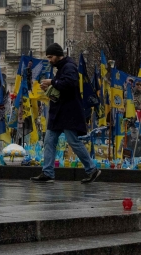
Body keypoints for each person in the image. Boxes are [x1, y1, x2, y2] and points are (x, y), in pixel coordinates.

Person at [31, 43, 100, 184]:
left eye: (51, 57)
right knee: (49, 141)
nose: (49, 60)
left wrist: (52, 82)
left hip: (68, 112)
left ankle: (92, 169)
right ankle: (48, 172)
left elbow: (70, 83)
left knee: (73, 141)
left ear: (58, 55)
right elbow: (61, 87)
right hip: (59, 112)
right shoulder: (62, 67)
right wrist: (49, 87)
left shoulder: (69, 66)